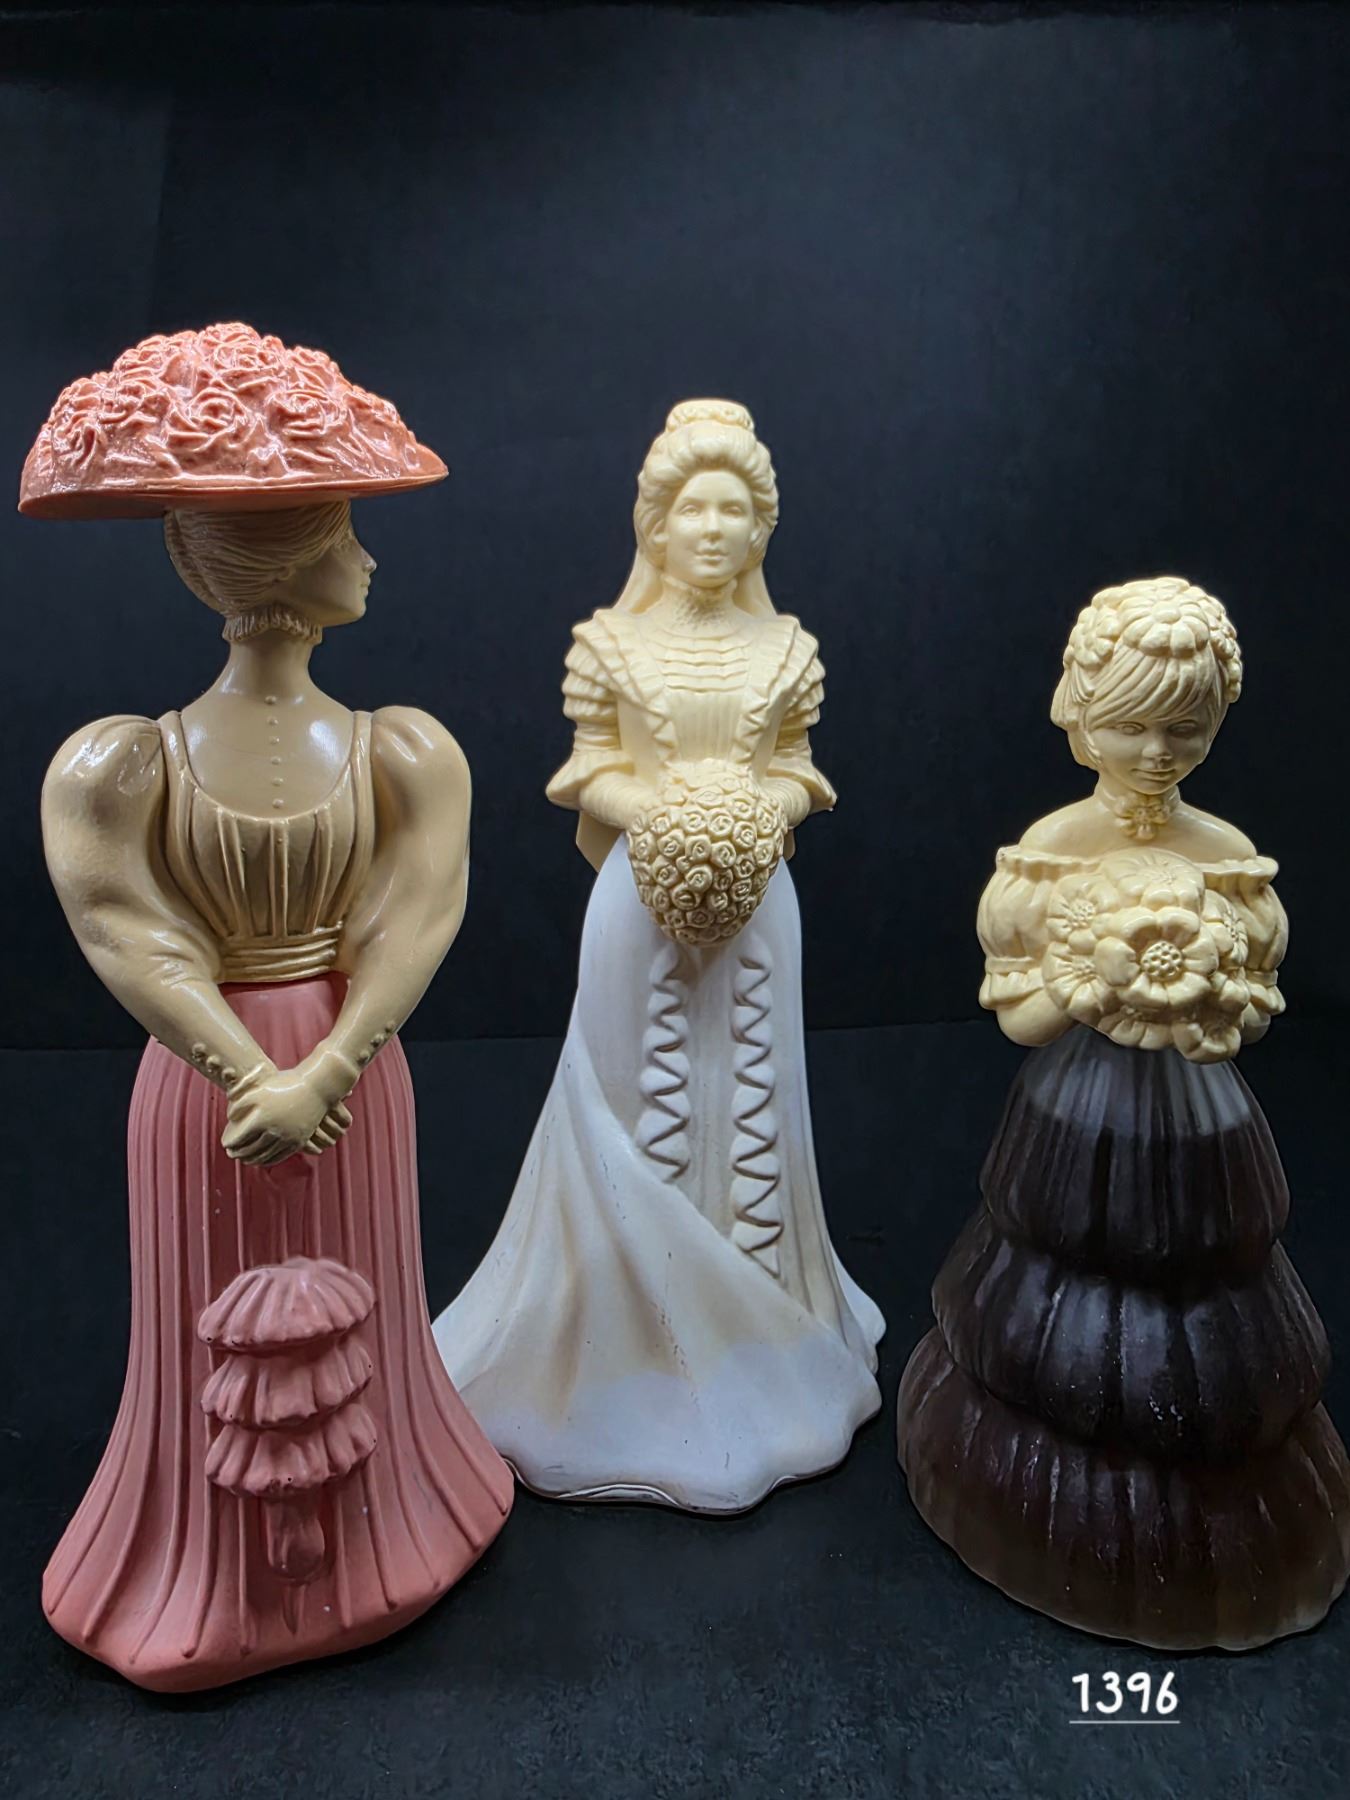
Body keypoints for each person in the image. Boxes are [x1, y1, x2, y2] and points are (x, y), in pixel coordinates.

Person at [27, 324, 512, 1691]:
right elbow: (126, 931)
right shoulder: (125, 765)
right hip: (234, 1082)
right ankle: (211, 1571)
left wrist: (313, 1073)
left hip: (304, 1076)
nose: (368, 558)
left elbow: (415, 916)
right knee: (216, 1325)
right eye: (343, 532)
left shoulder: (396, 750)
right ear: (287, 563)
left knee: (362, 1303)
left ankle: (385, 1524)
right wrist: (274, 1074)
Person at [435, 400, 883, 1513]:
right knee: (633, 1094)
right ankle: (622, 1334)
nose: (715, 529)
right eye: (694, 509)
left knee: (754, 1093)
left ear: (760, 527)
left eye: (735, 510)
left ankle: (763, 1311)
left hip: (758, 902)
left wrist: (756, 814)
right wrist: (667, 816)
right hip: (637, 900)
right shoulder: (609, 647)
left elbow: (800, 770)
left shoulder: (787, 652)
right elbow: (589, 768)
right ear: (657, 525)